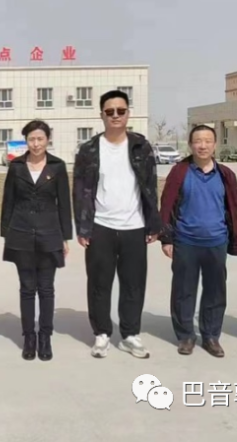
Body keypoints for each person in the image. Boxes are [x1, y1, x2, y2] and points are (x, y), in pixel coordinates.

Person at [72, 90, 161, 359]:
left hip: (135, 226)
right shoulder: (89, 149)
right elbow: (80, 190)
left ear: (128, 114)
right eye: (109, 111)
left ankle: (130, 334)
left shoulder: (140, 146)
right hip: (101, 226)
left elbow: (150, 186)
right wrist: (83, 227)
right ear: (101, 115)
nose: (115, 116)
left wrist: (152, 223)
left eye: (120, 111)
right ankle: (101, 333)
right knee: (99, 283)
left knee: (133, 283)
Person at [158, 125, 237, 358]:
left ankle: (211, 336)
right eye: (198, 141)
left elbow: (233, 208)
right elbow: (167, 205)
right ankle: (186, 335)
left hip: (216, 241)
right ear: (190, 144)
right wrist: (166, 238)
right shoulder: (180, 172)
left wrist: (233, 238)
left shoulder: (225, 174)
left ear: (215, 145)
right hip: (185, 241)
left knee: (215, 291)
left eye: (208, 141)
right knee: (183, 291)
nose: (203, 145)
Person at [0, 120, 71, 361]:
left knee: (47, 289)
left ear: (48, 140)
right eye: (32, 139)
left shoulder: (57, 167)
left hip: (49, 235)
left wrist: (65, 237)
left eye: (40, 139)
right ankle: (29, 337)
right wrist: (6, 232)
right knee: (27, 289)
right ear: (26, 141)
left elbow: (64, 204)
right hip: (21, 233)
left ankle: (45, 337)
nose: (36, 144)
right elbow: (8, 200)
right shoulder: (17, 166)